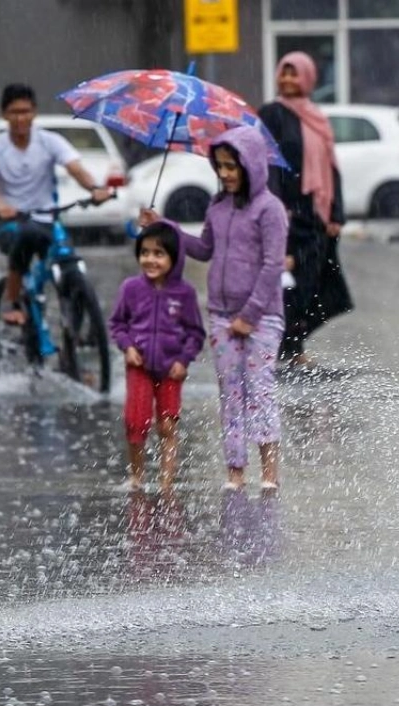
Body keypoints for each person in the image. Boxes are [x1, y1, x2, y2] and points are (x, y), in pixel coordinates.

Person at [139, 125, 289, 496]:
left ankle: (269, 470)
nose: (224, 174)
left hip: (261, 318)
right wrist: (165, 227)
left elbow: (272, 266)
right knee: (230, 395)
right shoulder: (218, 206)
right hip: (221, 315)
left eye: (231, 166)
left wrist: (249, 316)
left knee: (260, 390)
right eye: (219, 166)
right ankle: (235, 470)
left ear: (251, 165)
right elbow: (204, 249)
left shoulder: (270, 210)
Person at [0, 83, 112, 326]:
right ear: (4, 114)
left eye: (26, 111)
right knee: (25, 237)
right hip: (8, 221)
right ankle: (12, 300)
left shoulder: (49, 141)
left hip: (46, 219)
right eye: (15, 112)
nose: (21, 118)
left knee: (69, 260)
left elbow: (76, 169)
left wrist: (95, 189)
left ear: (35, 112)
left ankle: (79, 328)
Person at [258, 52, 353, 369]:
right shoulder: (272, 114)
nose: (287, 80)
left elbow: (331, 168)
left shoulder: (317, 118)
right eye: (283, 74)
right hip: (287, 213)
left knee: (326, 289)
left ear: (308, 78)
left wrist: (336, 214)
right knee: (290, 285)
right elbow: (265, 162)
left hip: (316, 215)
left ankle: (288, 342)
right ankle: (287, 348)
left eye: (293, 74)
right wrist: (274, 204)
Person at [106, 222, 206, 492]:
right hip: (138, 367)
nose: (150, 259)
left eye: (158, 253)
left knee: (167, 426)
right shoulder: (130, 288)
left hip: (171, 369)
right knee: (136, 423)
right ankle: (137, 477)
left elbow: (195, 333)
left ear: (174, 257)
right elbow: (117, 324)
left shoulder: (184, 293)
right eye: (145, 252)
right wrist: (127, 347)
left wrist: (183, 360)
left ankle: (166, 483)